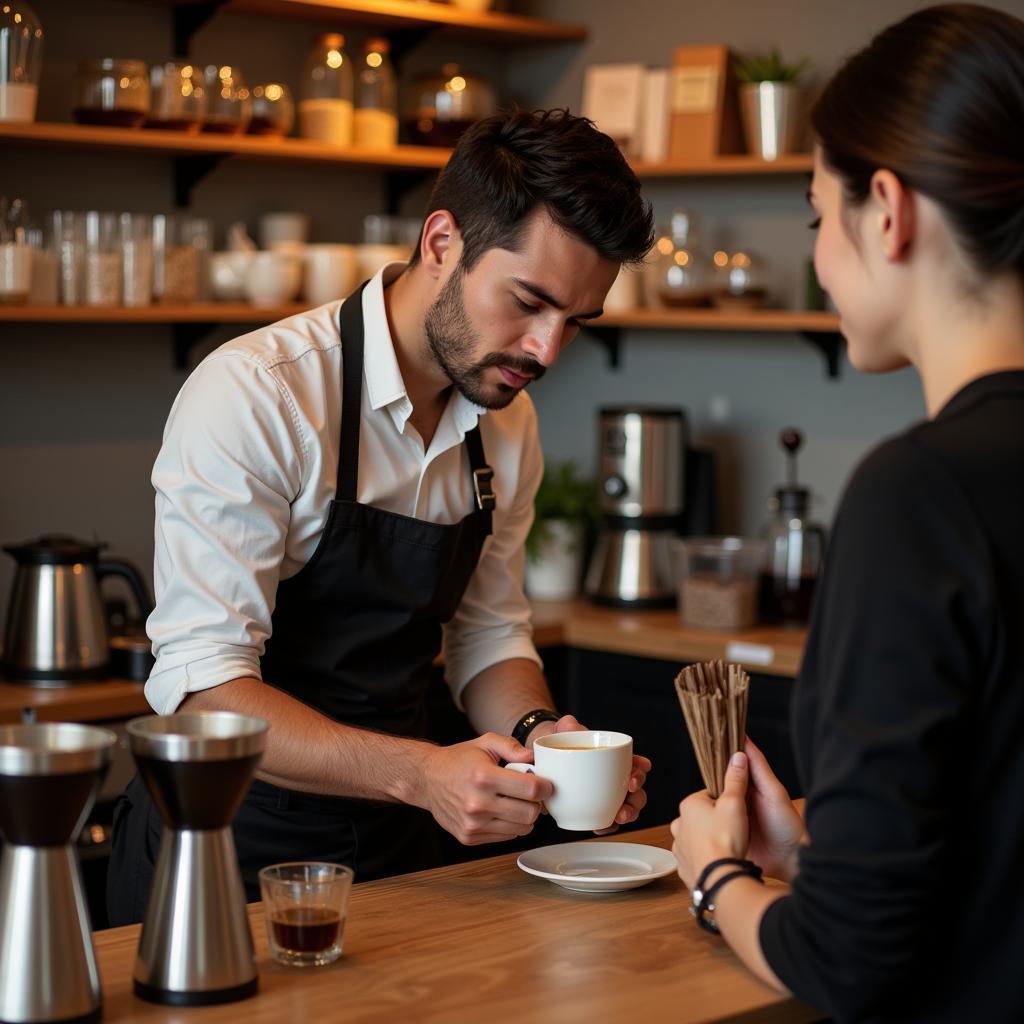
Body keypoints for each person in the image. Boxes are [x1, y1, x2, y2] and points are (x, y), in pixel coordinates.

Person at [108, 109, 654, 925]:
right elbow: (206, 690)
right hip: (228, 847)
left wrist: (541, 737)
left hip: (402, 853)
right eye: (530, 302)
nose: (547, 351)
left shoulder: (506, 421)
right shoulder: (260, 394)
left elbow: (487, 635)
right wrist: (420, 772)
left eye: (576, 321)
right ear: (442, 243)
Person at [670, 5, 1024, 1022]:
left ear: (886, 209)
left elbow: (848, 958)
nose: (820, 253)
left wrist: (714, 877)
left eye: (816, 213)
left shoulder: (915, 494)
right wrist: (828, 848)